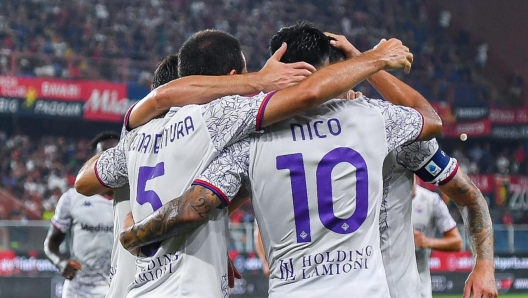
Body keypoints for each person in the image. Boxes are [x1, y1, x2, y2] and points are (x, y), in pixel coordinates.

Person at [77, 28, 417, 297]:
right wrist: (371, 59)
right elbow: (309, 94)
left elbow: (84, 181)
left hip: (134, 288)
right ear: (230, 76)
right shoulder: (220, 114)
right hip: (190, 290)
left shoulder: (136, 135)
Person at [44, 131, 119, 298]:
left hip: (116, 289)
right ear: (93, 162)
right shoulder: (72, 198)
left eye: (115, 155)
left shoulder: (133, 199)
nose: (110, 161)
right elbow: (50, 244)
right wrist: (60, 262)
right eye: (103, 156)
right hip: (78, 291)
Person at [412, 182, 463, 298]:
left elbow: (457, 242)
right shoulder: (382, 198)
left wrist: (426, 242)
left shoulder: (432, 200)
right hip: (387, 283)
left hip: (420, 287)